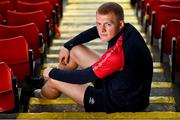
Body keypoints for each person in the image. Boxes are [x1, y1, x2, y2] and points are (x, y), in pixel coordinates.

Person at [34, 2, 153, 113]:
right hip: (124, 85)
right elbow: (94, 32)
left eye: (108, 24)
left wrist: (52, 73)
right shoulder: (127, 29)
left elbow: (84, 76)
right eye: (99, 23)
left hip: (121, 102)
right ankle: (46, 82)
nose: (102, 30)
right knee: (74, 50)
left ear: (120, 23)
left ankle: (38, 94)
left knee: (55, 79)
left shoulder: (117, 53)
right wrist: (67, 45)